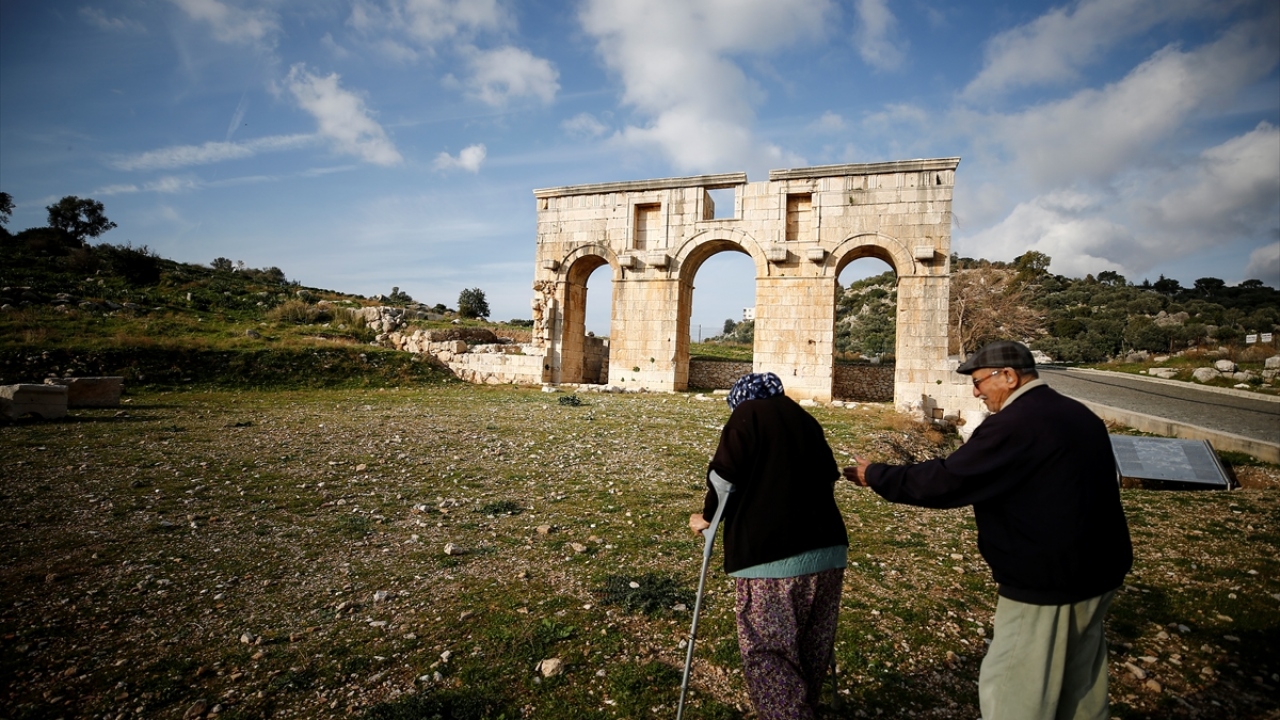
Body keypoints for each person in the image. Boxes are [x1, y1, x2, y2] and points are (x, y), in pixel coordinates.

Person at [843, 340, 1132, 720]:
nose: (976, 392)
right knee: (1080, 686)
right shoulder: (1078, 414)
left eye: (979, 382)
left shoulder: (1015, 424)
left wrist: (877, 474)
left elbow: (950, 480)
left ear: (1009, 376)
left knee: (1014, 689)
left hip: (1047, 580)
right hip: (1100, 570)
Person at [689, 372, 848, 720]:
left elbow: (723, 479)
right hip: (829, 551)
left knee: (768, 653)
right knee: (813, 644)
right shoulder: (805, 418)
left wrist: (707, 517)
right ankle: (803, 708)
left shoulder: (748, 415)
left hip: (771, 558)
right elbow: (828, 475)